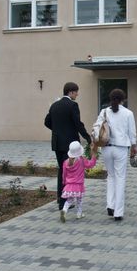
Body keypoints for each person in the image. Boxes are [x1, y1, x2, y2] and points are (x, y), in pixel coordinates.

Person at [44, 82, 92, 210]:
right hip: (70, 145)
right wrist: (88, 138)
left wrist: (57, 130)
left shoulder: (54, 105)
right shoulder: (73, 105)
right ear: (70, 92)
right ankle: (63, 202)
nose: (77, 94)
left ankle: (60, 198)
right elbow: (78, 124)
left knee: (62, 169)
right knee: (69, 171)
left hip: (57, 143)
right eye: (76, 92)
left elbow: (47, 122)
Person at [93, 89, 137, 221]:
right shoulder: (128, 113)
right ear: (123, 99)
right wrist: (133, 146)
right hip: (121, 148)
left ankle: (110, 205)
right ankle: (118, 212)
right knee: (120, 178)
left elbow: (97, 128)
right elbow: (132, 133)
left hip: (106, 148)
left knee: (111, 176)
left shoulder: (104, 111)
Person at [60, 141, 97, 222]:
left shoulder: (65, 162)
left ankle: (64, 210)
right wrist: (93, 155)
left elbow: (64, 174)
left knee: (69, 200)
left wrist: (64, 182)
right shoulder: (82, 160)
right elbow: (91, 164)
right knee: (79, 200)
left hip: (69, 185)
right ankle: (79, 213)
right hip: (79, 185)